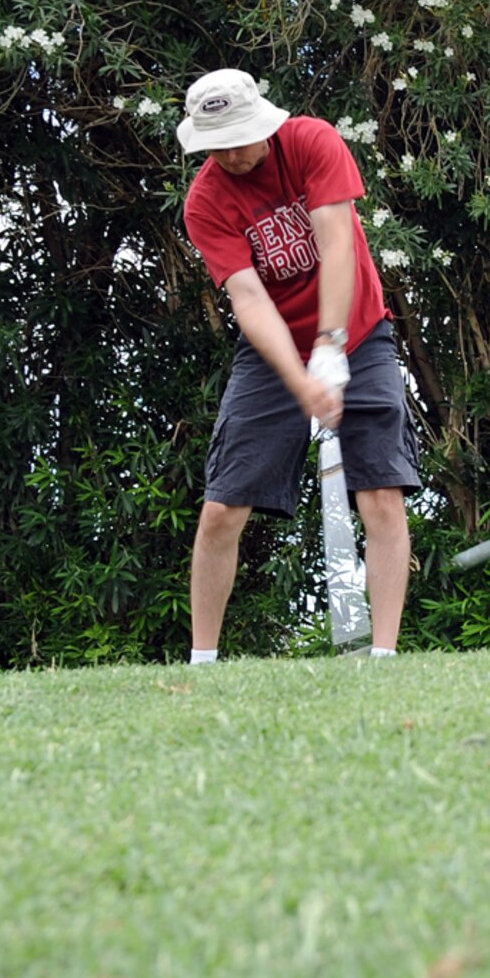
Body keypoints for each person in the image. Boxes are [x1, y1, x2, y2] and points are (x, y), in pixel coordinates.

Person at [175, 68, 418, 663]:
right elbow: (249, 298)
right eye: (217, 145)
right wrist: (299, 376)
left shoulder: (311, 141)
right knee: (222, 507)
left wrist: (332, 345)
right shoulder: (205, 202)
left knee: (382, 494)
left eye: (238, 137)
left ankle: (384, 658)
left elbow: (336, 240)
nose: (230, 155)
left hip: (358, 331)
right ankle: (202, 664)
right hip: (273, 351)